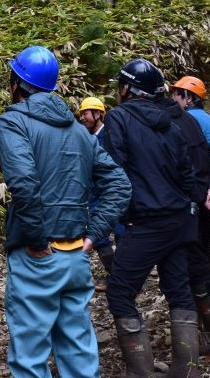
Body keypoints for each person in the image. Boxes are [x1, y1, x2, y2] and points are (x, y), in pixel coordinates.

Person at [0, 46, 131, 378]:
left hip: (38, 256)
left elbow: (25, 185)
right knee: (78, 353)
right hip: (75, 258)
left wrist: (38, 240)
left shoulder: (14, 122)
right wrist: (93, 233)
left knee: (30, 359)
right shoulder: (79, 132)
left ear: (18, 83)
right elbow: (120, 184)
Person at [101, 58, 202, 378]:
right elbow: (187, 171)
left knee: (119, 291)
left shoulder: (118, 118)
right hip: (179, 218)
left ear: (128, 89)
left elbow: (113, 168)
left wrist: (114, 215)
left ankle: (140, 372)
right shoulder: (171, 119)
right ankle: (187, 371)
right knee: (179, 289)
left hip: (147, 220)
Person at [171, 77, 210, 354]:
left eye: (177, 94)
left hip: (206, 194)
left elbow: (199, 161)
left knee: (204, 248)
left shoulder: (189, 121)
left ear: (189, 97)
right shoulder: (209, 120)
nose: (174, 98)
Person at [76, 96, 117, 285]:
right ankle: (114, 271)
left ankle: (123, 275)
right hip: (93, 193)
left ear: (98, 114)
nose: (83, 117)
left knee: (121, 232)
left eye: (86, 113)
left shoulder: (109, 136)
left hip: (109, 191)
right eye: (82, 114)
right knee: (98, 235)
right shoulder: (87, 138)